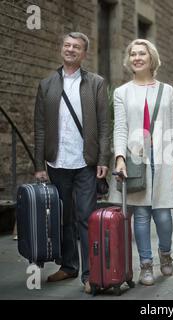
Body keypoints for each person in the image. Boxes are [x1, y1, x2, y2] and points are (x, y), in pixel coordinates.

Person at [34, 32, 110, 294]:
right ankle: (68, 265)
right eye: (66, 45)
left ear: (84, 54)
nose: (70, 49)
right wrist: (40, 164)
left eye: (76, 47)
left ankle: (90, 273)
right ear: (61, 49)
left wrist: (103, 159)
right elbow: (40, 127)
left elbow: (103, 125)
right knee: (63, 217)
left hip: (85, 162)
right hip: (57, 161)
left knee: (86, 218)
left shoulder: (96, 83)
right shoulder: (46, 85)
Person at [113, 39, 173, 286]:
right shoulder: (121, 92)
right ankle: (145, 265)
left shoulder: (167, 90)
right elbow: (120, 127)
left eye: (142, 53)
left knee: (163, 215)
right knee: (141, 215)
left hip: (162, 158)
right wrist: (120, 157)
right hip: (135, 158)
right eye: (133, 54)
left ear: (151, 58)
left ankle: (165, 253)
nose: (137, 57)